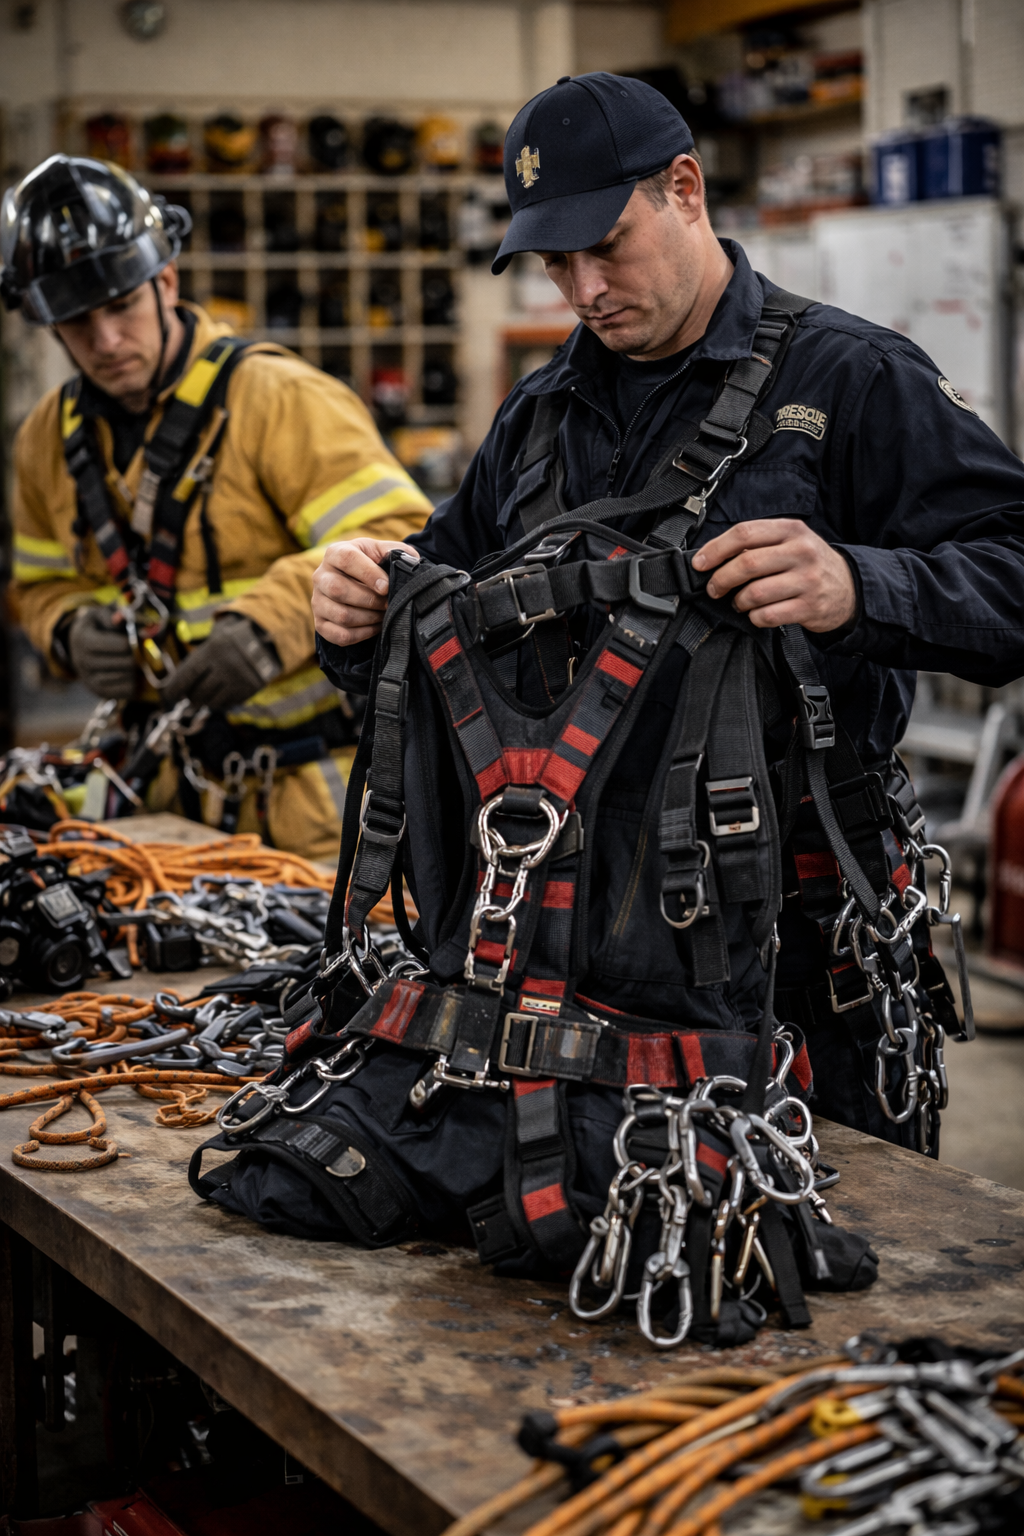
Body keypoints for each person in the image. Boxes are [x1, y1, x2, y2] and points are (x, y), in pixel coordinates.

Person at [310, 74, 1024, 1145]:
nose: (584, 288)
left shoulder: (852, 380)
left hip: (797, 946)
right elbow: (443, 605)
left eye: (606, 247)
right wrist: (363, 609)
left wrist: (856, 586)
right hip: (572, 947)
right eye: (556, 262)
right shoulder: (541, 413)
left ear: (684, 189)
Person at [3, 155, 431, 861]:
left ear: (164, 282)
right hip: (161, 802)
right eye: (80, 322)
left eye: (121, 307)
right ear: (50, 327)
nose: (106, 342)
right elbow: (40, 581)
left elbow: (400, 539)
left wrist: (271, 627)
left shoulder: (277, 398)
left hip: (315, 802)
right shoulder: (46, 440)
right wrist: (69, 628)